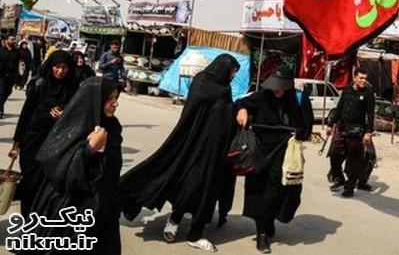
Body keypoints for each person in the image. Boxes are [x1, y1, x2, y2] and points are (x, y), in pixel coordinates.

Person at [121, 54, 240, 253]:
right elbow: (192, 115)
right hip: (193, 145)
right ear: (223, 68)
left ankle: (196, 234)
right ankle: (175, 218)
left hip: (216, 151)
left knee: (208, 190)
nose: (233, 75)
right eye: (232, 71)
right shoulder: (202, 83)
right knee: (189, 186)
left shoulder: (224, 88)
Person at [27, 77, 123, 254]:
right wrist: (88, 150)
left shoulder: (113, 126)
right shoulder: (73, 126)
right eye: (109, 99)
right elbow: (55, 166)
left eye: (116, 98)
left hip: (104, 208)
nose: (115, 103)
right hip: (72, 209)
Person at [235, 69, 312, 254]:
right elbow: (241, 103)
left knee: (281, 192)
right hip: (260, 151)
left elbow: (307, 125)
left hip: (286, 154)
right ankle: (261, 232)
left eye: (280, 87)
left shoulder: (299, 98)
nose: (277, 91)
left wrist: (299, 132)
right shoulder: (261, 96)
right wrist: (242, 111)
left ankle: (268, 220)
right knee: (260, 191)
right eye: (274, 87)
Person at [9, 50, 78, 216]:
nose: (60, 71)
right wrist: (16, 145)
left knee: (46, 184)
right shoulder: (39, 85)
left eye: (64, 67)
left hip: (56, 145)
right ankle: (28, 218)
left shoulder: (73, 89)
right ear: (51, 66)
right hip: (32, 141)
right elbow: (25, 115)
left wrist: (65, 114)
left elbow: (78, 115)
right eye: (57, 67)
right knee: (30, 181)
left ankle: (40, 219)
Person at [327, 67, 375, 198]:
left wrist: (368, 132)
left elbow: (370, 115)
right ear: (354, 78)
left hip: (357, 132)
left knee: (354, 162)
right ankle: (339, 178)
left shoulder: (368, 93)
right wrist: (330, 124)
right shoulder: (347, 91)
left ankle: (349, 188)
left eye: (365, 79)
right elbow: (339, 108)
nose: (363, 81)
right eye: (361, 78)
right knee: (334, 155)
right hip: (342, 129)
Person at [0, 34, 19, 118]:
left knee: (8, 92)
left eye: (14, 39)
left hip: (12, 76)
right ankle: (0, 111)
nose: (13, 41)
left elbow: (21, 61)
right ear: (7, 40)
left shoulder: (16, 51)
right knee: (2, 92)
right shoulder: (1, 50)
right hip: (2, 75)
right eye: (11, 39)